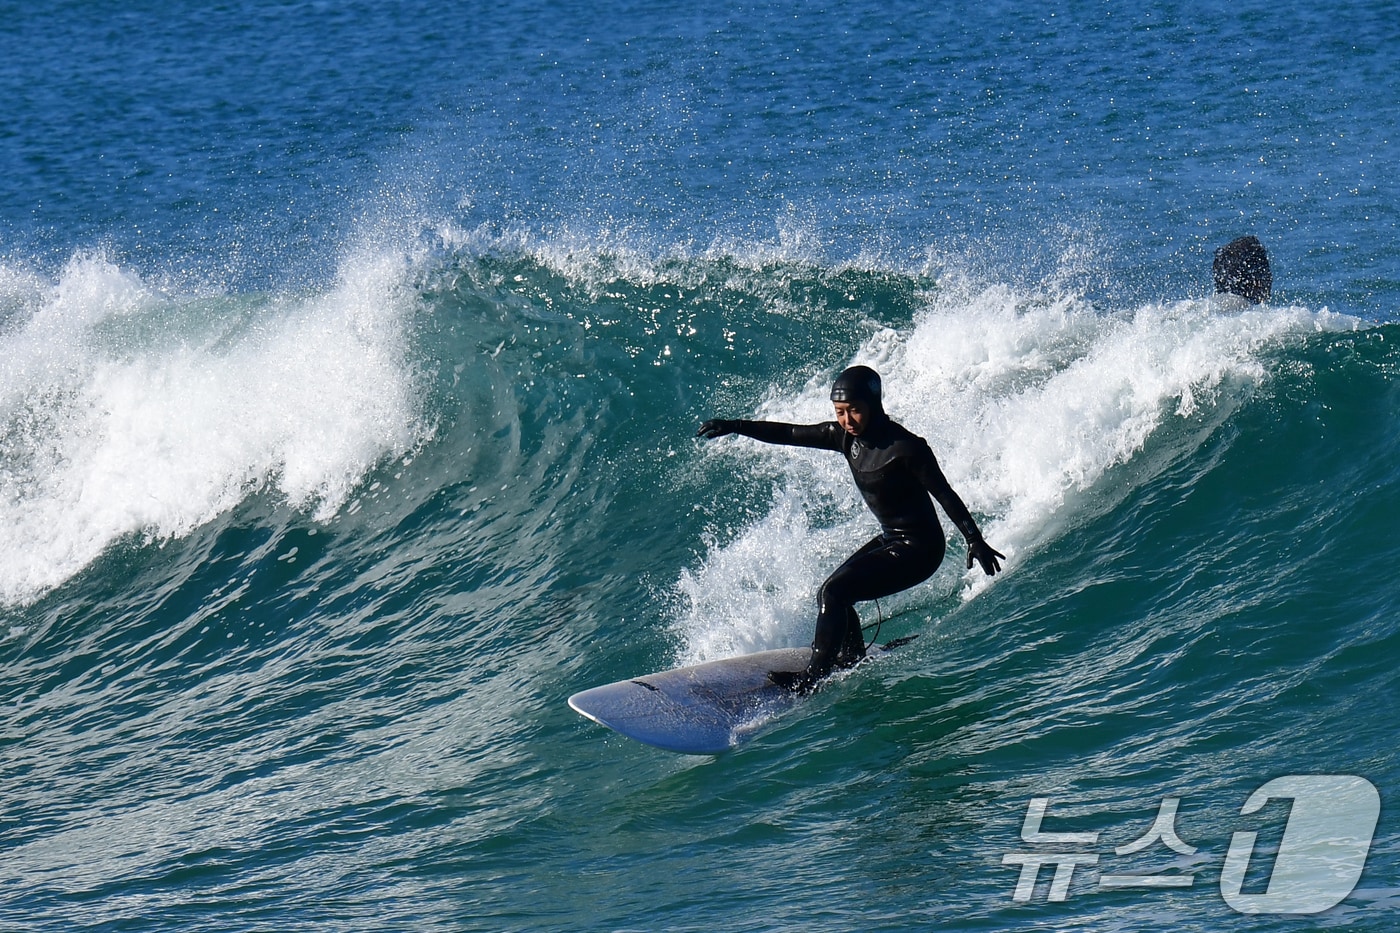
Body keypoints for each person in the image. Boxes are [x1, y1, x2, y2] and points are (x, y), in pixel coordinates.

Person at [697, 365, 1005, 693]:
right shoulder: (844, 438)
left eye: (854, 411)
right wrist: (736, 426)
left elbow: (944, 494)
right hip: (892, 539)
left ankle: (813, 677)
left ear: (874, 404)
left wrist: (975, 539)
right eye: (840, 412)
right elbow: (789, 433)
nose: (847, 420)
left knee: (836, 592)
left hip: (921, 550)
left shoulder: (907, 448)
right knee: (830, 592)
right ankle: (851, 657)